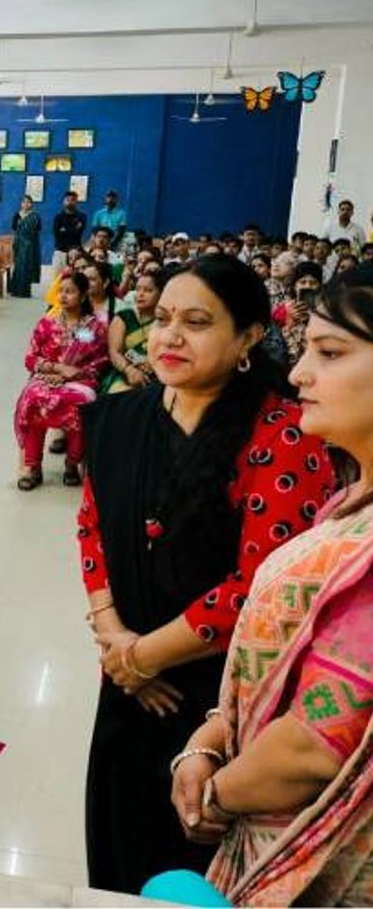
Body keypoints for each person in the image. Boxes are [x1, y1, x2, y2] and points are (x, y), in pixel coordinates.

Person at [78, 256, 335, 896]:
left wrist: (144, 655)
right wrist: (115, 640)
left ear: (249, 337)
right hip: (126, 674)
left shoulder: (282, 435)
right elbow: (92, 525)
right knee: (116, 841)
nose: (169, 336)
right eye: (162, 318)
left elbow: (260, 584)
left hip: (216, 699)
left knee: (187, 858)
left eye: (196, 322)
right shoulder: (124, 416)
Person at [170, 264, 373, 905]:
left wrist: (216, 792)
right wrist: (211, 735)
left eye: (330, 353)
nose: (299, 373)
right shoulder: (349, 505)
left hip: (320, 853)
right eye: (306, 348)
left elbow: (315, 750)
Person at [14, 271, 107, 490]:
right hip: (46, 377)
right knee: (33, 398)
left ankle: (72, 463)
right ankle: (33, 465)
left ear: (83, 296)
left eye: (70, 291)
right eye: (61, 291)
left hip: (80, 380)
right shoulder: (47, 324)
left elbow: (100, 359)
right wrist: (54, 368)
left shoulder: (91, 328)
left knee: (80, 402)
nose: (63, 296)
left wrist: (72, 373)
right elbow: (31, 357)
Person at [100, 269, 164, 394]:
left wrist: (155, 365)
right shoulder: (124, 316)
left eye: (148, 290)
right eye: (138, 289)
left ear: (161, 294)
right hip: (123, 372)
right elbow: (114, 352)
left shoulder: (166, 321)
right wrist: (129, 370)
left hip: (158, 374)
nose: (140, 294)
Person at [272, 260, 324, 368]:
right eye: (302, 282)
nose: (307, 286)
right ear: (295, 286)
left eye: (313, 282)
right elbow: (274, 342)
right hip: (288, 364)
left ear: (320, 286)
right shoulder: (282, 309)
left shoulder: (326, 309)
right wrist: (289, 321)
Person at [9, 195, 41, 299]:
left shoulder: (35, 216)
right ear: (21, 204)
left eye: (29, 202)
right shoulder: (17, 215)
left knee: (27, 267)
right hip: (19, 243)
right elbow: (14, 228)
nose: (26, 204)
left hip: (30, 245)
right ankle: (15, 290)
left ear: (32, 204)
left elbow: (37, 230)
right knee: (18, 267)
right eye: (24, 202)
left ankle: (25, 292)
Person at [53, 191, 88, 272]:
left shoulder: (82, 216)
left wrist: (65, 230)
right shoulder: (58, 217)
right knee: (57, 278)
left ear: (76, 202)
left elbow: (78, 233)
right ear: (63, 201)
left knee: (74, 278)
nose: (70, 202)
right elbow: (57, 234)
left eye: (72, 200)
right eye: (67, 200)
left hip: (76, 252)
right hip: (60, 251)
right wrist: (74, 228)